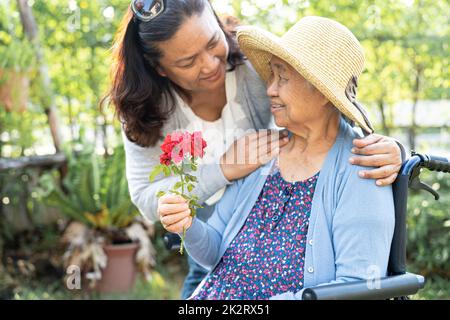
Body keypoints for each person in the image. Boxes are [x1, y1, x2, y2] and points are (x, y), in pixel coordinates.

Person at [104, 0, 403, 299]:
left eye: (280, 77)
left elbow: (358, 288)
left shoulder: (356, 168)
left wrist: (397, 153)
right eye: (187, 62)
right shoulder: (260, 155)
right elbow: (215, 251)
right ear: (160, 69)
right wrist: (190, 220)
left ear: (323, 89)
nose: (269, 87)